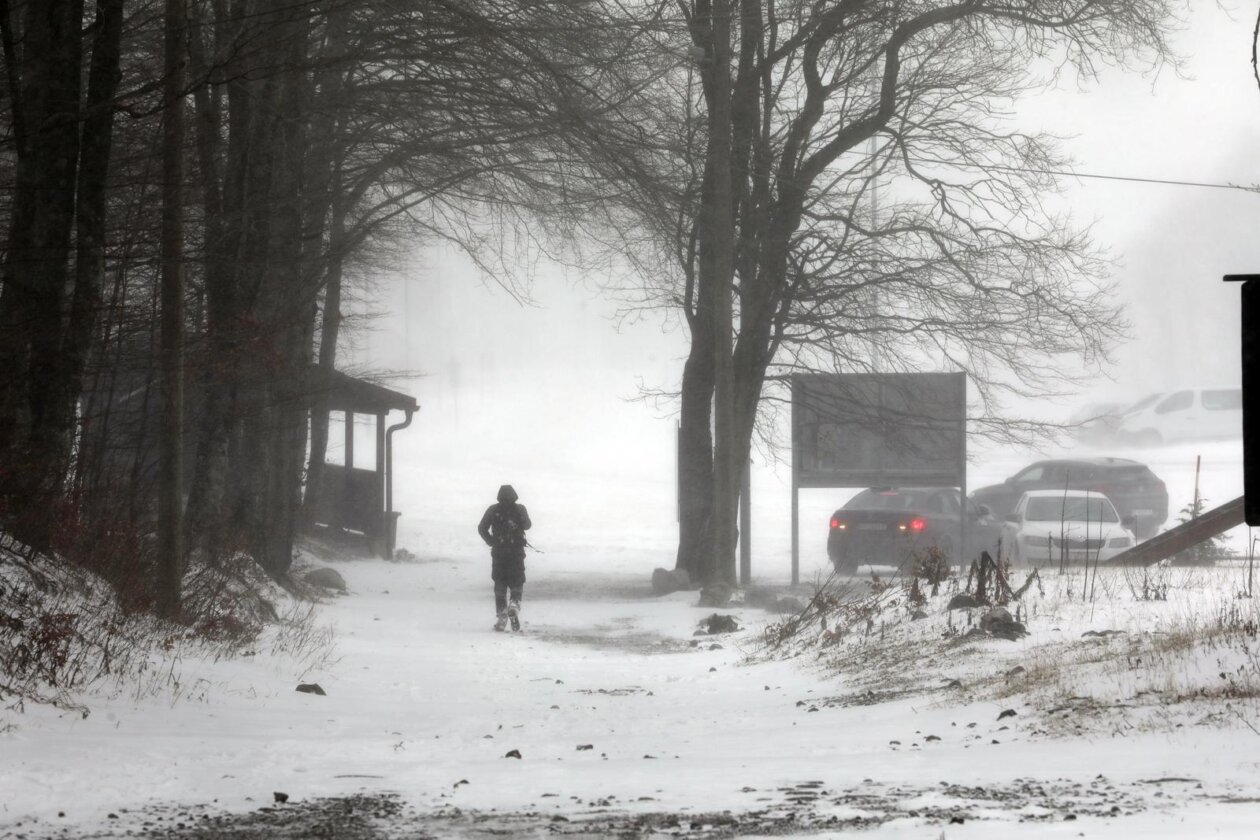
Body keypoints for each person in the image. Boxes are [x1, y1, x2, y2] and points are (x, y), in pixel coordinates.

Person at [477, 484, 532, 631]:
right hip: (516, 552)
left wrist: (491, 541)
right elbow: (527, 526)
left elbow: (481, 528)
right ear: (515, 495)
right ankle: (514, 605)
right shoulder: (520, 509)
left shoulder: (493, 510)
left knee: (500, 583)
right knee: (517, 581)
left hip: (499, 552)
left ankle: (502, 616)